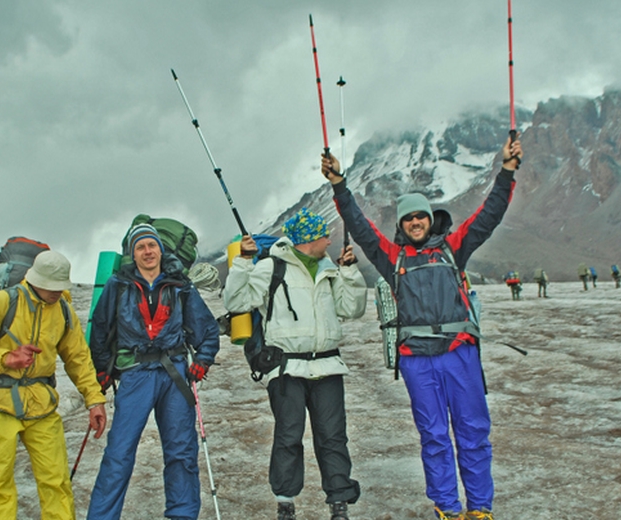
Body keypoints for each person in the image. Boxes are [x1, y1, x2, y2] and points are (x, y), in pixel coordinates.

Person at [321, 134, 522, 520]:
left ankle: (480, 509)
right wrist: (338, 185)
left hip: (459, 354)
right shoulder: (392, 258)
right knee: (433, 438)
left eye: (421, 216)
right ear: (402, 224)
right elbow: (360, 228)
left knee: (473, 433)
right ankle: (447, 507)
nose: (415, 222)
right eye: (409, 218)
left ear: (430, 220)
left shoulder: (453, 248)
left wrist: (508, 170)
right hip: (417, 361)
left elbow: (489, 215)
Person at [224, 208, 368, 520]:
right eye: (323, 236)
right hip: (286, 368)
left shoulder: (329, 268)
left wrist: (350, 273)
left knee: (333, 436)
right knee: (288, 436)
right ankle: (285, 502)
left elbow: (352, 309)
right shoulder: (269, 267)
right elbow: (236, 302)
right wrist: (243, 262)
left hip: (328, 366)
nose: (329, 240)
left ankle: (339, 502)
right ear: (308, 240)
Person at [0, 250, 108, 520]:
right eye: (51, 287)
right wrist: (6, 358)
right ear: (34, 279)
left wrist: (94, 400)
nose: (56, 292)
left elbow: (78, 358)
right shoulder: (2, 302)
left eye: (60, 287)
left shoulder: (63, 309)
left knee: (57, 480)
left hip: (41, 404)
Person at [87, 223, 220, 520]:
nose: (147, 251)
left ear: (160, 249)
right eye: (140, 247)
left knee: (181, 452)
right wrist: (101, 368)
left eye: (152, 245)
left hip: (174, 374)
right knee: (119, 454)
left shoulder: (180, 285)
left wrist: (203, 359)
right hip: (135, 374)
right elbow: (101, 329)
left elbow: (207, 329)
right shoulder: (118, 285)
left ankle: (182, 514)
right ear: (132, 254)